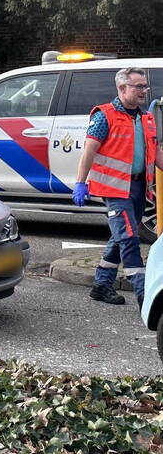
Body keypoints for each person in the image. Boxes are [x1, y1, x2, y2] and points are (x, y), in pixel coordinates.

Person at [73, 67, 155, 307]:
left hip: (139, 187)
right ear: (122, 88)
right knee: (129, 237)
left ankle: (101, 285)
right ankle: (144, 295)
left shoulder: (146, 118)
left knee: (120, 236)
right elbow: (89, 151)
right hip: (114, 189)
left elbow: (155, 151)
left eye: (145, 86)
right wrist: (80, 183)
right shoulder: (104, 116)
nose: (144, 91)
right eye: (139, 86)